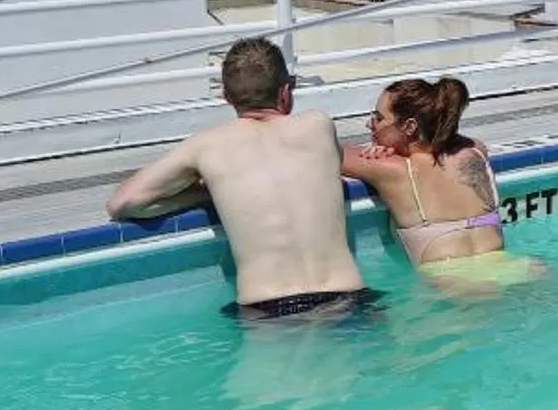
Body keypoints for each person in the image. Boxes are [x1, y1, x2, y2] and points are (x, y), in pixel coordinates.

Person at [105, 37, 372, 319]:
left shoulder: (206, 146)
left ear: (226, 97)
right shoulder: (319, 124)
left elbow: (123, 203)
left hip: (268, 312)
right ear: (285, 93)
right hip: (348, 300)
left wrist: (209, 192)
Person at [342, 76, 525, 282]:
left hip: (455, 284)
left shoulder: (395, 169)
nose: (370, 124)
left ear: (409, 127)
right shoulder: (474, 152)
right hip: (514, 269)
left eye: (378, 118)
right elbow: (458, 141)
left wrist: (378, 151)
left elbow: (324, 151)